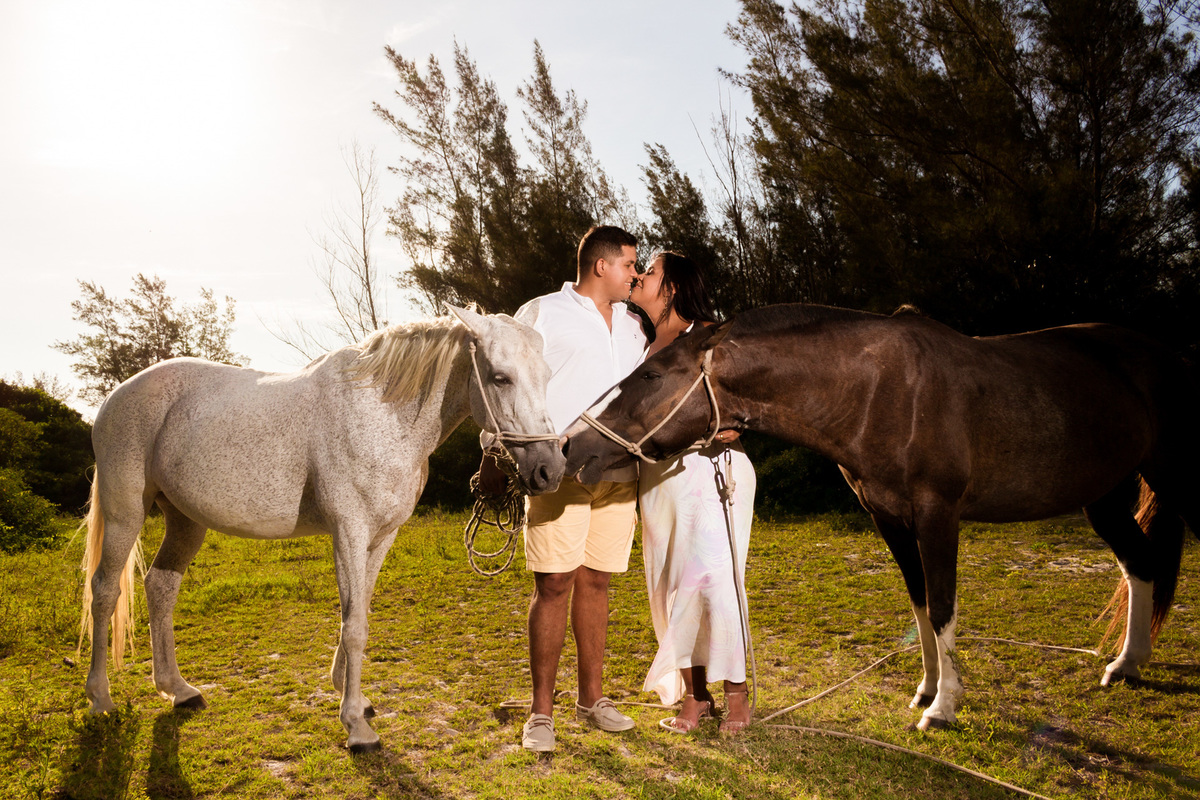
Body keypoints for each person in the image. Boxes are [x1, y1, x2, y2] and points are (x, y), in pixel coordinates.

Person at [481, 225, 646, 753]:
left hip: (621, 470)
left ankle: (591, 700)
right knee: (554, 584)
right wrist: (490, 451)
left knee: (597, 582)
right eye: (629, 265)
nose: (635, 275)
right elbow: (501, 381)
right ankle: (541, 713)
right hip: (558, 469)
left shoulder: (634, 326)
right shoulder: (542, 313)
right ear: (601, 265)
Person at [627, 251, 756, 734]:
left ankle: (737, 695)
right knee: (670, 583)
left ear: (673, 287)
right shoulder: (636, 338)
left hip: (709, 470)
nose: (640, 275)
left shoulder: (708, 337)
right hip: (657, 478)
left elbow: (752, 396)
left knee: (714, 581)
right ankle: (696, 697)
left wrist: (735, 421)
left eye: (651, 271)